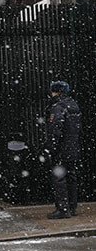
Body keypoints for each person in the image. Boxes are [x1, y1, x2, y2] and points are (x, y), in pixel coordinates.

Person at [44, 81, 81, 219]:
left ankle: (63, 209)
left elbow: (55, 129)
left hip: (61, 149)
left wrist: (51, 147)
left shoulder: (57, 107)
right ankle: (72, 207)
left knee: (59, 178)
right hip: (72, 147)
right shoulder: (73, 105)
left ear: (55, 91)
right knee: (71, 176)